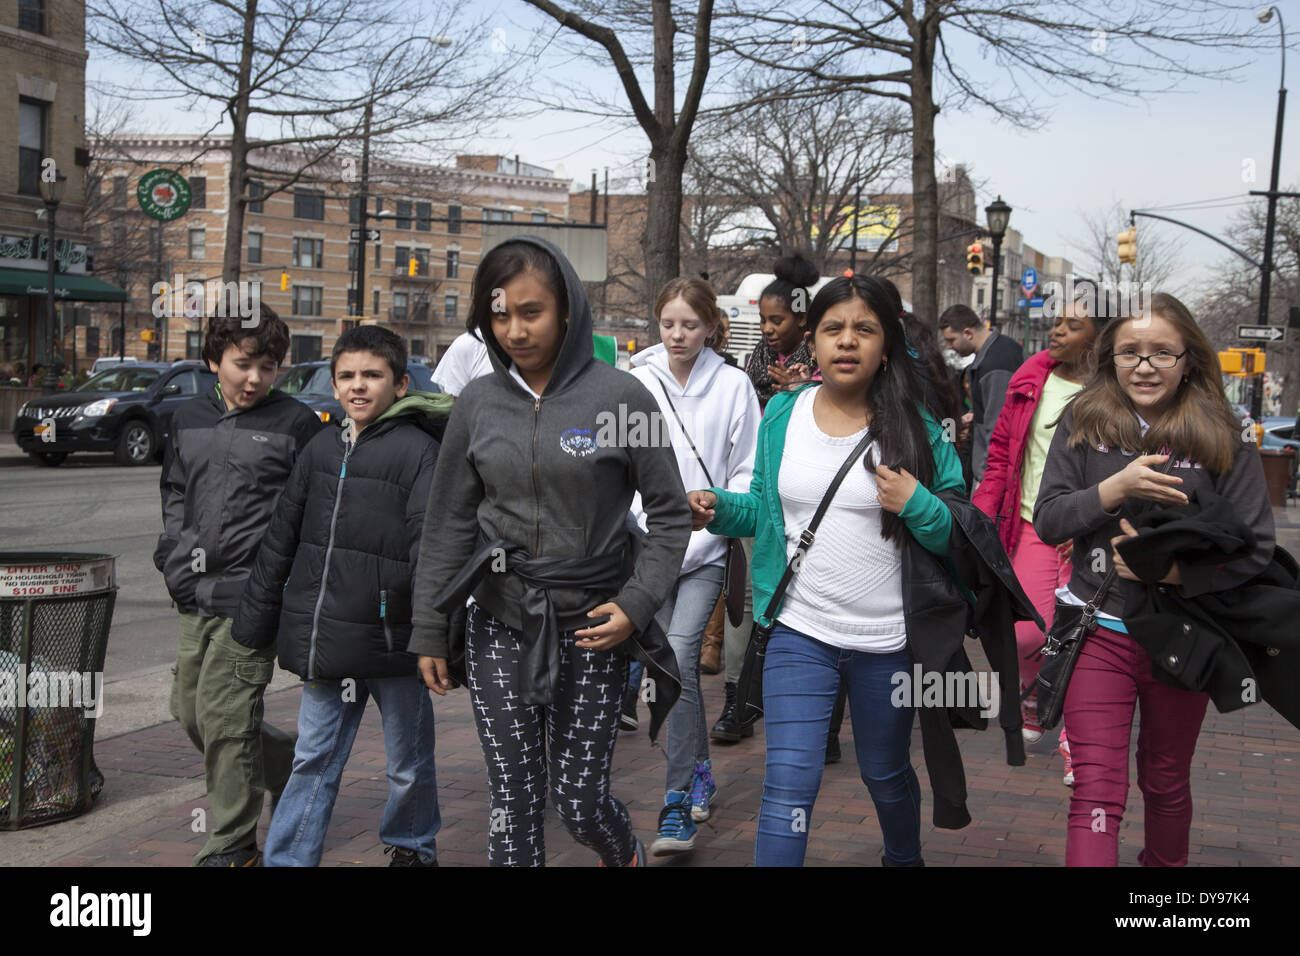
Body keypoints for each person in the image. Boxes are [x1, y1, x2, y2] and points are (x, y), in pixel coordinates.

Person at [408, 236, 692, 867]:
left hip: (596, 623)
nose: (513, 329)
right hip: (499, 617)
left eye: (530, 312)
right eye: (499, 313)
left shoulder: (623, 398)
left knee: (579, 800)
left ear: (567, 309)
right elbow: (449, 519)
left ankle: (627, 855)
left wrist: (637, 604)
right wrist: (430, 625)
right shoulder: (477, 403)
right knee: (512, 796)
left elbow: (671, 515)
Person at [688, 274, 968, 866]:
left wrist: (917, 503)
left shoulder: (918, 427)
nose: (847, 342)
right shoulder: (784, 413)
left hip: (889, 643)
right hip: (798, 631)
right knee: (789, 781)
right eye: (833, 329)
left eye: (864, 329)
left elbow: (959, 533)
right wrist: (717, 506)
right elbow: (763, 506)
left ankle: (903, 857)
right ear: (811, 342)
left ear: (885, 344)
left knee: (885, 772)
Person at [1034, 292, 1274, 867]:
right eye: (1130, 352)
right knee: (1096, 788)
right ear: (1110, 359)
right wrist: (1113, 490)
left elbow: (1257, 550)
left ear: (1188, 359)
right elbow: (1048, 519)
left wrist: (1173, 571)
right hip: (1098, 631)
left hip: (1182, 637)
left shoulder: (1224, 433)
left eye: (1162, 353)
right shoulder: (1084, 420)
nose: (1145, 365)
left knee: (1165, 781)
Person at [232, 325, 452, 867]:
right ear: (333, 385)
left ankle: (412, 846)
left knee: (408, 761)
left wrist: (432, 633)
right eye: (348, 376)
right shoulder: (321, 447)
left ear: (400, 384)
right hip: (328, 641)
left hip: (394, 643)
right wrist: (254, 625)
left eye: (372, 376)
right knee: (314, 758)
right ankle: (289, 858)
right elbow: (281, 537)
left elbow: (432, 549)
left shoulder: (420, 452)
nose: (359, 386)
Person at [154, 306, 325, 866]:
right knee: (190, 711)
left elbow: (308, 514)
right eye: (243, 363)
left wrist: (279, 583)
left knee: (226, 719)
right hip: (193, 592)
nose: (254, 378)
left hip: (253, 596)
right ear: (213, 361)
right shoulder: (186, 418)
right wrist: (174, 558)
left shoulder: (295, 423)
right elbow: (175, 491)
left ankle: (232, 844)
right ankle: (293, 765)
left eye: (268, 366)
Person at [628, 278, 760, 855]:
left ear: (711, 327)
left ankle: (676, 801)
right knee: (669, 670)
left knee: (678, 659)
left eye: (689, 324)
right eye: (667, 323)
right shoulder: (636, 380)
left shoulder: (733, 386)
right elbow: (620, 465)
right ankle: (700, 772)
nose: (677, 335)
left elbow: (747, 469)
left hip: (707, 549)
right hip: (647, 548)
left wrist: (717, 504)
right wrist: (644, 513)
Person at [973, 289, 1106, 785]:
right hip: (1029, 522)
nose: (1057, 332)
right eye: (1057, 323)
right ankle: (1033, 694)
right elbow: (1003, 451)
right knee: (1026, 632)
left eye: (1072, 326)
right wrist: (984, 513)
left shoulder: (1112, 391)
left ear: (1099, 337)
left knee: (1081, 641)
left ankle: (1078, 741)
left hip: (1089, 536)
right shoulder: (1032, 377)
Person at [939, 304, 1024, 484]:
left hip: (991, 477)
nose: (949, 346)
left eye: (951, 340)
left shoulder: (994, 365)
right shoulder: (1002, 348)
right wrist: (975, 414)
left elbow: (997, 429)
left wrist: (987, 481)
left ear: (968, 333)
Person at [746, 254, 819, 407]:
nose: (766, 329)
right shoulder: (759, 353)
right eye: (762, 320)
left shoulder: (820, 359)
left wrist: (798, 391)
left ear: (801, 318)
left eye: (776, 321)